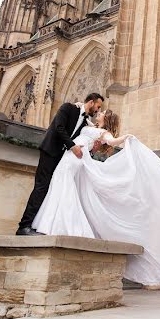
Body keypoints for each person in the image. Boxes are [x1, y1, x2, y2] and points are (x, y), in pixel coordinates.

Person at [31, 109, 160, 286]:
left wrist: (127, 137)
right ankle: (58, 225)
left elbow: (112, 140)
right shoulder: (90, 125)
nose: (99, 112)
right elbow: (81, 119)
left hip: (76, 159)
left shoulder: (102, 132)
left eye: (102, 112)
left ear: (106, 119)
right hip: (72, 158)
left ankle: (60, 226)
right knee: (64, 188)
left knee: (65, 188)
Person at [15, 92, 103, 236]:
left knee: (52, 189)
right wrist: (72, 146)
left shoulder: (86, 122)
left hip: (63, 158)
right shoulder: (68, 108)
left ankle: (38, 225)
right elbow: (58, 127)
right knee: (41, 187)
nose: (98, 110)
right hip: (50, 151)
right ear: (91, 102)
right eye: (98, 106)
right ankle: (24, 226)